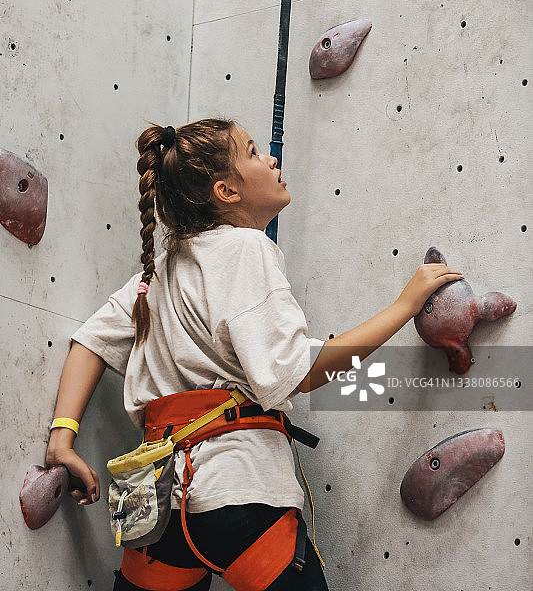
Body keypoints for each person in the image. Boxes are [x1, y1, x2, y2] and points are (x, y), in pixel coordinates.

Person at [45, 118, 463, 591]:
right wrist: (404, 307)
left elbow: (89, 342)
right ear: (226, 190)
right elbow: (297, 375)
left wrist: (63, 438)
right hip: (238, 493)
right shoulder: (246, 247)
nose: (271, 159)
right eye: (253, 152)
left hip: (154, 505)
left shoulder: (157, 273)